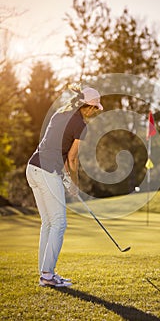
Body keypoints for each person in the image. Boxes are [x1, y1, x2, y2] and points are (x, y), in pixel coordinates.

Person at [26, 84, 103, 287]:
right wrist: (74, 184)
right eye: (95, 108)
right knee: (59, 223)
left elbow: (54, 148)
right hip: (46, 172)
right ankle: (47, 275)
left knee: (48, 223)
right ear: (87, 106)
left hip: (33, 168)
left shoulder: (59, 114)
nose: (95, 112)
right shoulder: (81, 125)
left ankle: (45, 273)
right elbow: (72, 159)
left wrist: (64, 177)